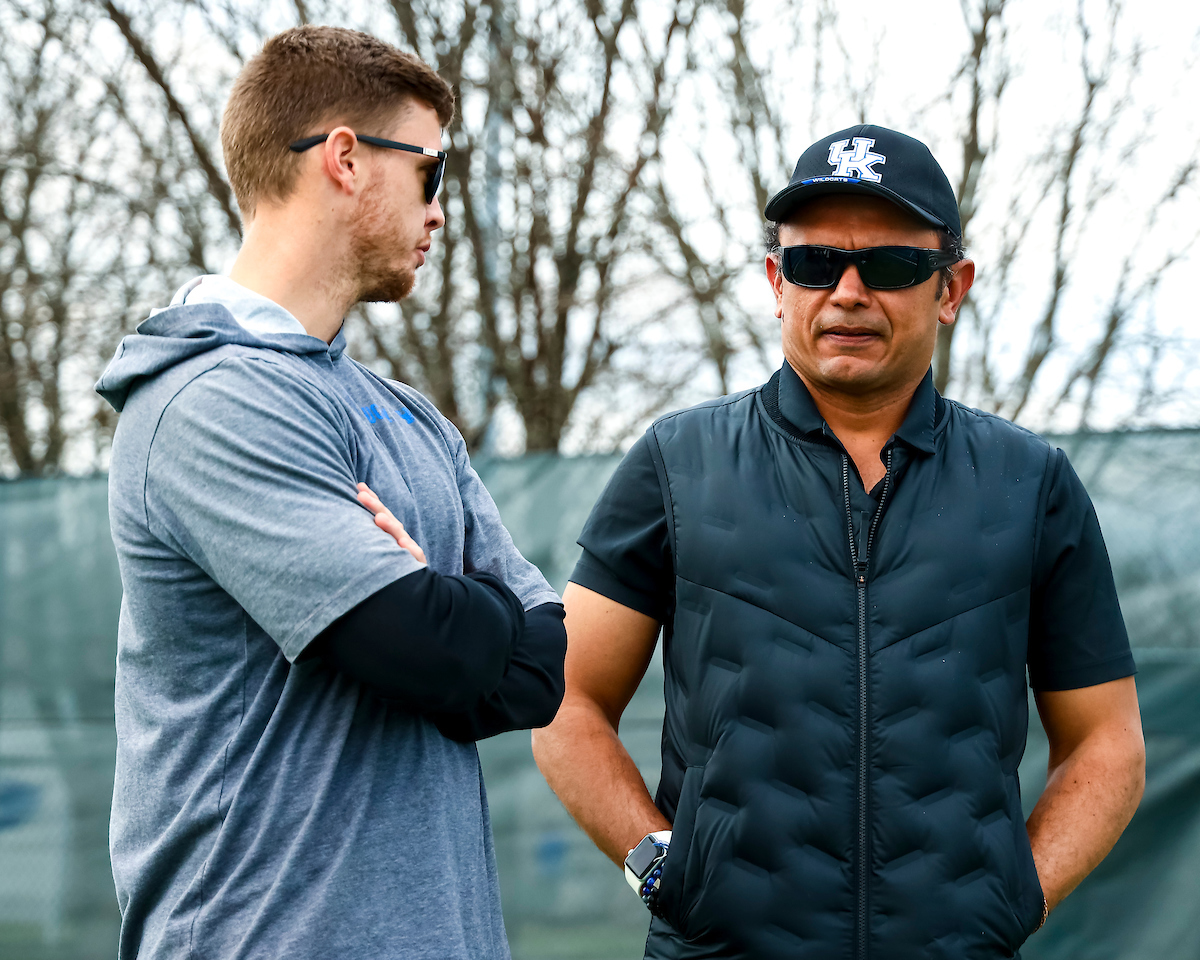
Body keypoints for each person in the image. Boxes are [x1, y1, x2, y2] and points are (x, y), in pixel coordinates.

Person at [532, 124, 1145, 960]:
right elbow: (564, 699)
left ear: (951, 287)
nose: (848, 292)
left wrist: (1018, 898)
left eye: (889, 265)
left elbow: (1107, 740)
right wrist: (659, 866)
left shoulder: (1030, 483)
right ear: (777, 282)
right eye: (817, 264)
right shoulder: (677, 464)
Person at [96, 26, 565, 960]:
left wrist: (434, 598)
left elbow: (539, 669)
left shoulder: (411, 418)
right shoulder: (207, 398)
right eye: (430, 172)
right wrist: (442, 606)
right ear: (346, 158)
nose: (440, 211)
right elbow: (412, 646)